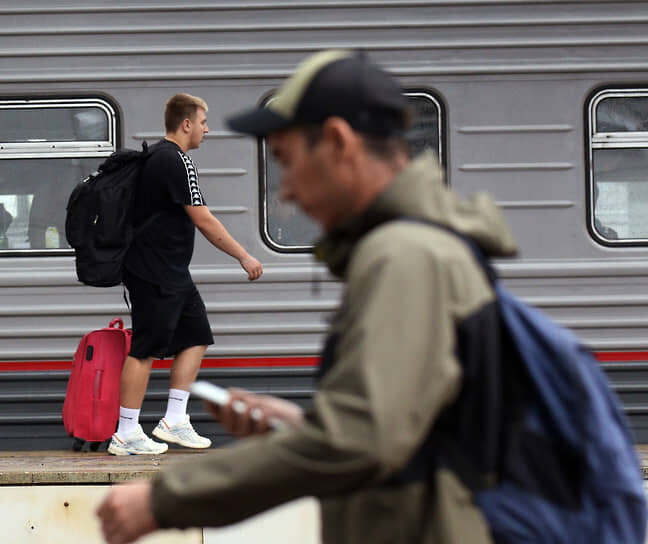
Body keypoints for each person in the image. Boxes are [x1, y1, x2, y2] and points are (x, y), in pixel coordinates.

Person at [98, 50, 520, 542]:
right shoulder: (409, 246)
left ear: (338, 142)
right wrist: (300, 426)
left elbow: (356, 444)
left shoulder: (402, 257)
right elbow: (396, 424)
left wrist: (168, 498)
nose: (287, 193)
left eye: (286, 161)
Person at [108, 93, 264, 456]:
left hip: (170, 271)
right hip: (154, 271)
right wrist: (243, 256)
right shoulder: (174, 160)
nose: (207, 130)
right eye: (204, 122)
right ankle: (125, 433)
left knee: (196, 336)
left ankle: (174, 420)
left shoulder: (165, 158)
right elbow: (203, 218)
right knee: (144, 349)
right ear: (186, 124)